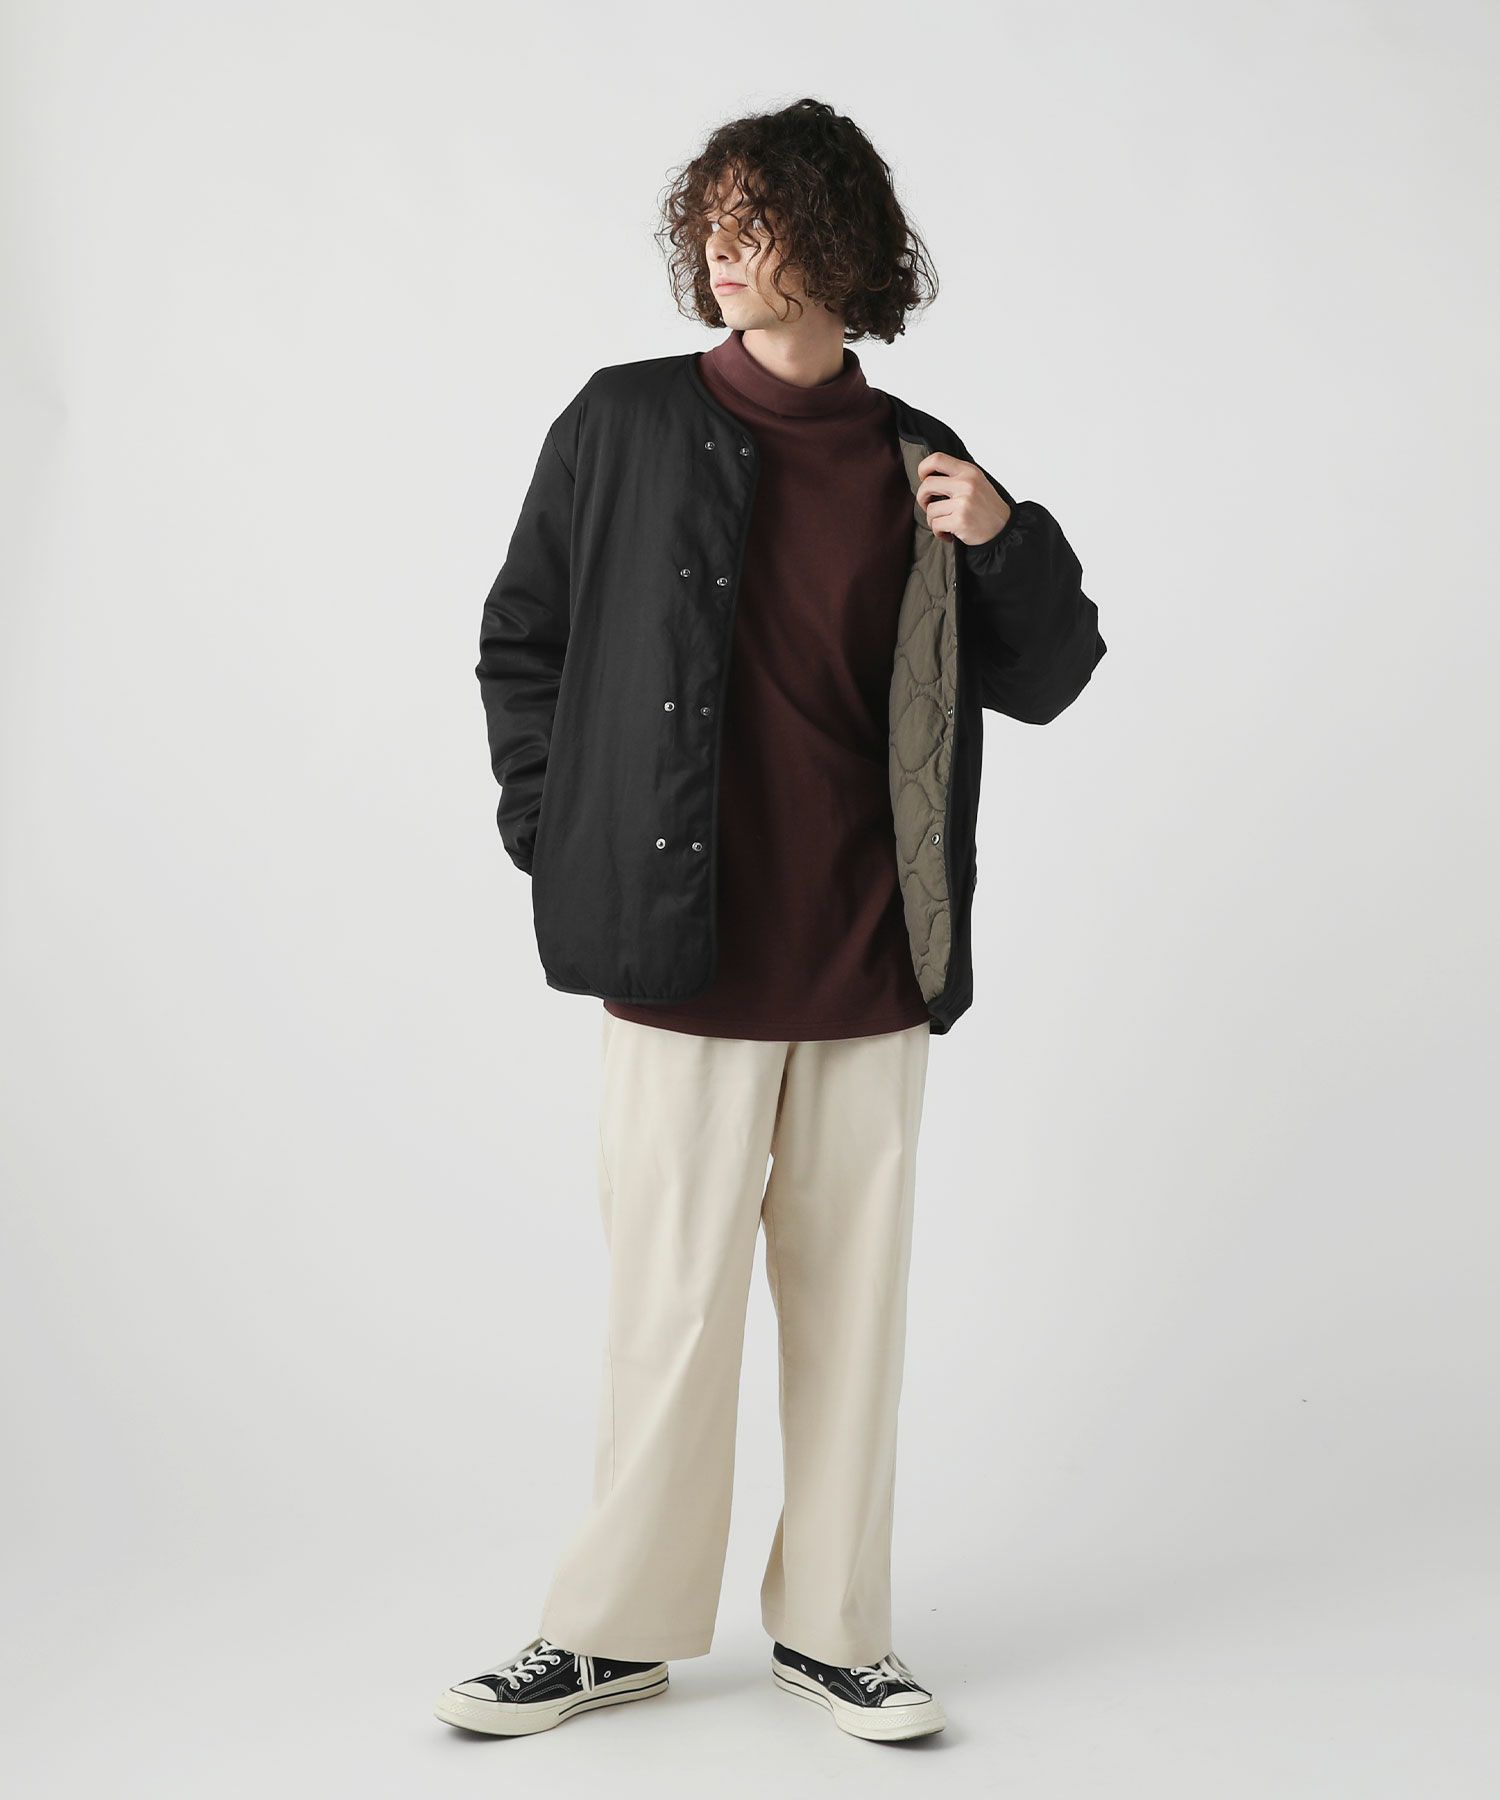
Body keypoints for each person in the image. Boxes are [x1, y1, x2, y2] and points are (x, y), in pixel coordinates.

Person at [436, 96, 1106, 1744]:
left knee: (851, 1320)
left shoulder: (917, 458)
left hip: (870, 958)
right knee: (667, 1318)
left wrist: (1005, 541)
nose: (723, 250)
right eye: (711, 221)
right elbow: (523, 641)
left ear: (841, 240)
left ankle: (838, 1633)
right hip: (683, 953)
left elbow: (1048, 675)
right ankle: (610, 1634)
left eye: (759, 219)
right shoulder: (622, 421)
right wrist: (557, 839)